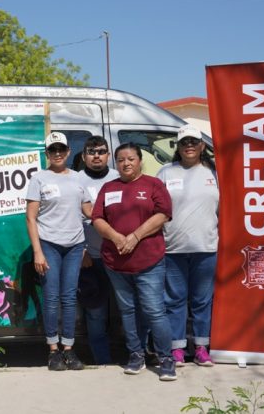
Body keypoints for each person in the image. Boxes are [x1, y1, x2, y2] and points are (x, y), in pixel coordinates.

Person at [91, 142, 177, 381]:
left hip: (149, 261)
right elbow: (97, 218)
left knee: (154, 311)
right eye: (120, 160)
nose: (126, 163)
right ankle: (135, 355)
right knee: (127, 311)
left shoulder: (153, 184)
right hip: (116, 263)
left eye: (130, 159)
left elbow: (163, 214)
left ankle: (166, 358)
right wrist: (116, 237)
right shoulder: (108, 188)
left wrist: (136, 235)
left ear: (140, 161)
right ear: (115, 163)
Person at [26, 131, 92, 371]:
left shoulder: (78, 179)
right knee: (52, 299)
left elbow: (89, 211)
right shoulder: (39, 179)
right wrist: (38, 252)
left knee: (69, 298)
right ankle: (53, 350)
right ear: (47, 153)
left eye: (60, 149)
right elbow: (31, 219)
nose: (57, 154)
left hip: (75, 246)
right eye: (52, 150)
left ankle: (69, 348)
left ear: (68, 152)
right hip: (49, 245)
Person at [156, 125, 219, 367]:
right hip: (173, 249)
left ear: (202, 146)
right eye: (184, 142)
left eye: (194, 141)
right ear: (178, 147)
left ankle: (202, 347)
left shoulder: (214, 172)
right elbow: (156, 208)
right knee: (175, 300)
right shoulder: (165, 172)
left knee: (202, 301)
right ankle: (177, 348)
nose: (189, 146)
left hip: (206, 247)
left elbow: (224, 210)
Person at [75, 135, 118, 365]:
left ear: (108, 155)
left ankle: (136, 354)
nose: (97, 155)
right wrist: (80, 249)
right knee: (96, 311)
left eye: (101, 151)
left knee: (129, 308)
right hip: (90, 256)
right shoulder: (76, 180)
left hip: (120, 255)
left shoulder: (119, 177)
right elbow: (70, 218)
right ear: (83, 156)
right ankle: (103, 360)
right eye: (91, 152)